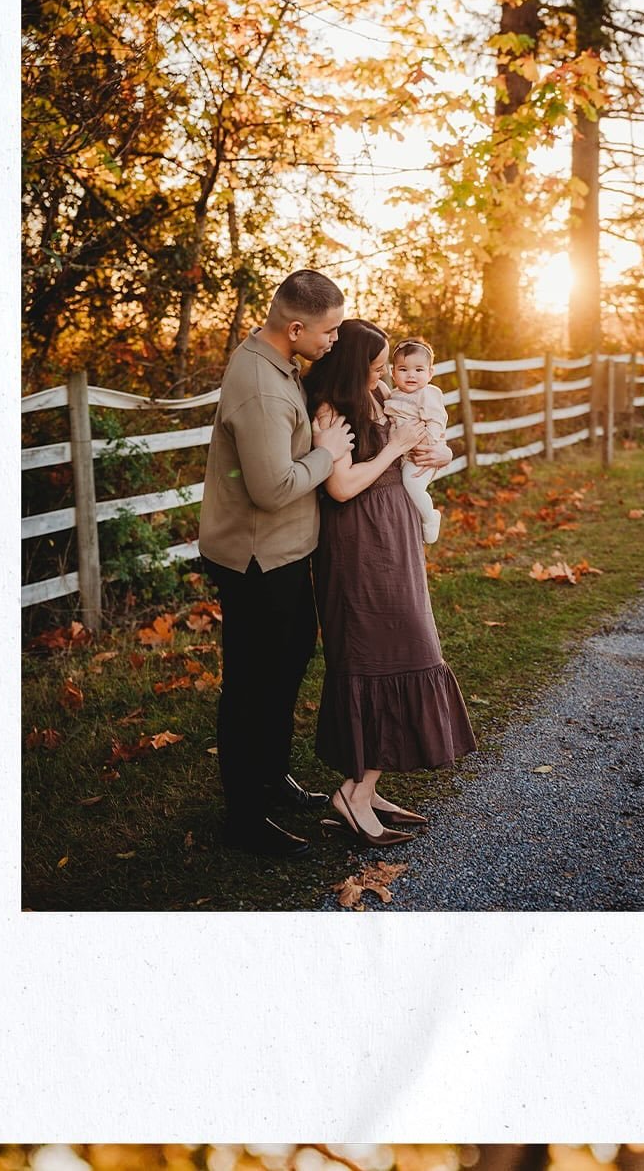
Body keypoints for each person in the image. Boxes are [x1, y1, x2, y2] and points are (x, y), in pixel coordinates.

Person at [198, 270, 354, 858]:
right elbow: (271, 488)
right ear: (294, 328)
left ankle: (270, 776)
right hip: (256, 562)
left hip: (283, 554)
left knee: (287, 666)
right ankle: (245, 819)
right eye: (329, 331)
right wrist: (327, 455)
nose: (333, 340)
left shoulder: (280, 363)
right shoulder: (262, 387)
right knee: (252, 685)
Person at [305, 319, 477, 847]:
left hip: (393, 535)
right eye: (377, 366)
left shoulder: (379, 394)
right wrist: (393, 447)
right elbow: (340, 487)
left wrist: (441, 453)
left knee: (405, 648)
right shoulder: (332, 412)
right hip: (360, 544)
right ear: (355, 365)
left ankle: (368, 786)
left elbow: (424, 438)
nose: (384, 375)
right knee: (383, 653)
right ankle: (353, 794)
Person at [383, 336, 451, 544]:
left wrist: (428, 444)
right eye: (403, 369)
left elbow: (436, 420)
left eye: (419, 370)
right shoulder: (393, 394)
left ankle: (430, 518)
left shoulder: (427, 393)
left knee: (411, 483)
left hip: (423, 452)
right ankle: (416, 524)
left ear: (430, 373)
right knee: (406, 490)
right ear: (393, 373)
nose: (411, 375)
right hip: (404, 452)